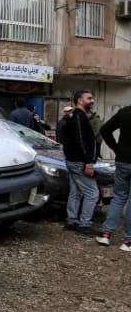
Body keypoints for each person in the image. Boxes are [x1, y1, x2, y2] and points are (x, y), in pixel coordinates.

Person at [59, 90, 99, 233]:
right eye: (89, 98)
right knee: (92, 193)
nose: (92, 101)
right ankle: (85, 224)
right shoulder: (78, 117)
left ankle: (71, 220)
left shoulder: (73, 117)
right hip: (79, 162)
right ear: (79, 100)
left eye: (92, 98)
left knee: (76, 191)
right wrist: (88, 161)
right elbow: (81, 140)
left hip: (73, 160)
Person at [96, 105, 131, 251]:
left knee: (118, 197)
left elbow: (104, 130)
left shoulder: (125, 111)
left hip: (123, 160)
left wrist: (116, 148)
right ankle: (128, 242)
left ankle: (106, 234)